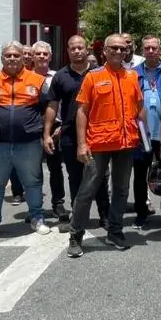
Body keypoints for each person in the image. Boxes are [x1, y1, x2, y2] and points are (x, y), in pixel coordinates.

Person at [67, 34, 146, 257]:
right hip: (98, 144)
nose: (119, 52)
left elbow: (138, 108)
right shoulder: (93, 77)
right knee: (87, 190)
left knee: (121, 190)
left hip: (125, 143)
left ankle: (115, 230)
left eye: (123, 49)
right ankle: (75, 234)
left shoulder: (131, 76)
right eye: (115, 48)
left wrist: (147, 136)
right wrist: (81, 144)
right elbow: (82, 112)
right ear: (105, 51)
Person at [0, 41, 51, 242]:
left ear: (24, 58)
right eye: (8, 55)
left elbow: (46, 107)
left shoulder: (37, 80)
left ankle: (37, 217)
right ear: (2, 58)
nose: (12, 59)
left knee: (33, 182)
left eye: (16, 55)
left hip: (28, 143)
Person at [44, 35, 110, 229]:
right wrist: (47, 133)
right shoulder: (60, 76)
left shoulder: (99, 73)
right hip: (70, 135)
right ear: (68, 50)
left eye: (80, 48)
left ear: (86, 50)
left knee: (100, 177)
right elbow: (52, 106)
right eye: (73, 48)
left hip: (97, 133)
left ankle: (104, 214)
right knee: (75, 177)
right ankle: (79, 216)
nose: (77, 51)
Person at [132, 35, 161, 228]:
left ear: (160, 49)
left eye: (154, 48)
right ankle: (141, 213)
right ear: (142, 50)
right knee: (140, 177)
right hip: (141, 135)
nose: (150, 51)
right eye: (147, 48)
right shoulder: (133, 74)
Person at [31, 40, 67, 220]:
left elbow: (63, 104)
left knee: (55, 168)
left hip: (55, 128)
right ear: (32, 56)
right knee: (33, 171)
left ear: (50, 56)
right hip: (31, 129)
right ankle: (35, 207)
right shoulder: (26, 77)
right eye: (38, 54)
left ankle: (58, 203)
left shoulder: (58, 77)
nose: (42, 57)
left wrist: (60, 127)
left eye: (45, 54)